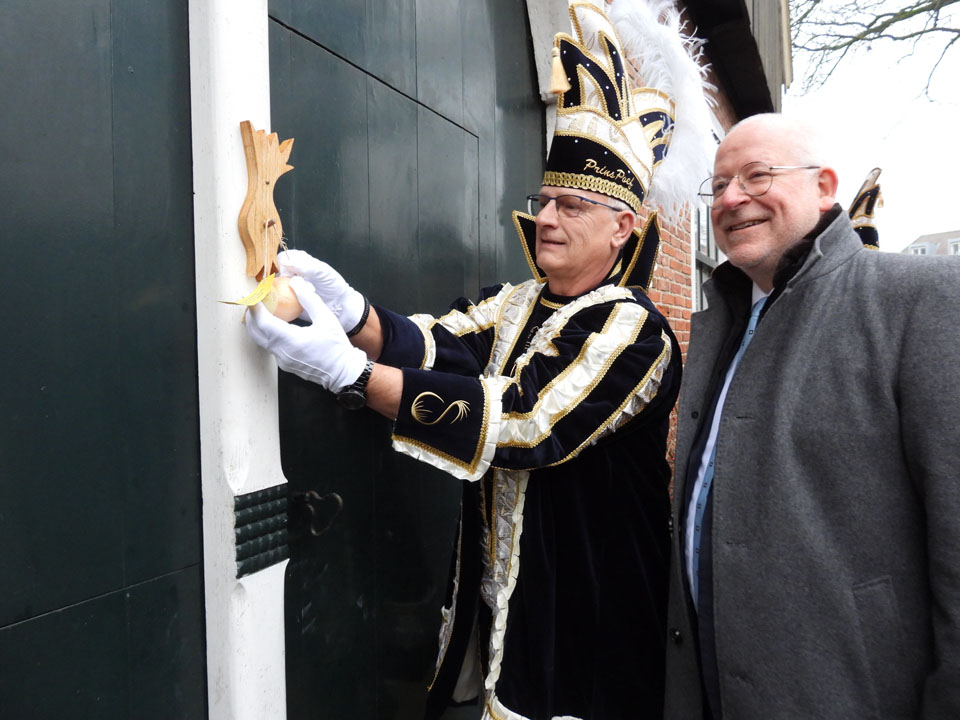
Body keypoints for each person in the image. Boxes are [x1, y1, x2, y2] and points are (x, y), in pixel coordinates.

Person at [244, 3, 713, 717]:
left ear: (624, 227)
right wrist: (354, 314)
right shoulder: (520, 301)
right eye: (545, 200)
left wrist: (352, 375)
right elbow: (442, 344)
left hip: (585, 604)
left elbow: (524, 423)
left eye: (573, 207)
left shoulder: (634, 329)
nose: (547, 218)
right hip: (501, 592)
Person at [664, 112, 960, 719]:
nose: (732, 198)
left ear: (825, 187)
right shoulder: (718, 320)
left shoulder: (920, 299)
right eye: (718, 185)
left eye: (757, 175)